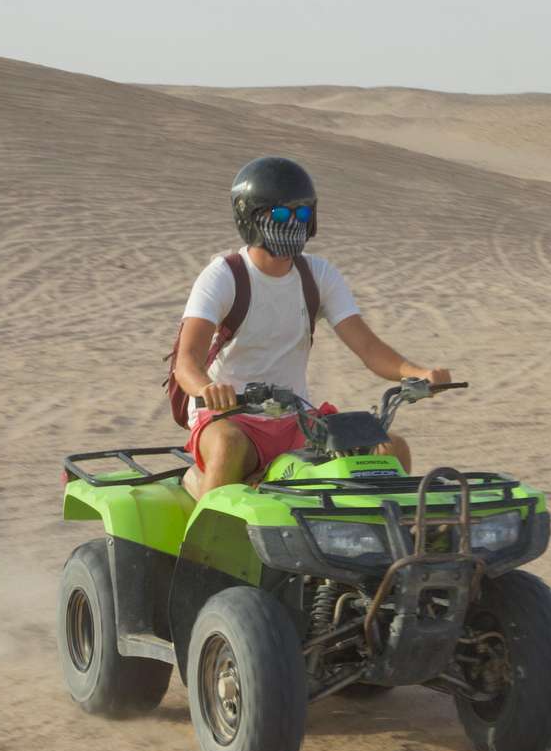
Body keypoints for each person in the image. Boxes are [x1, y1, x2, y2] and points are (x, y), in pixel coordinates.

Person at [173, 156, 451, 498]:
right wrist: (206, 389)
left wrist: (416, 372)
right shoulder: (224, 275)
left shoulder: (318, 275)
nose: (293, 223)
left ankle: (385, 542)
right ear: (251, 217)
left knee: (389, 449)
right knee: (229, 445)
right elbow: (186, 361)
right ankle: (201, 544)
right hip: (230, 417)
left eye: (302, 214)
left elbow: (367, 348)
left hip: (296, 418)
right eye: (280, 214)